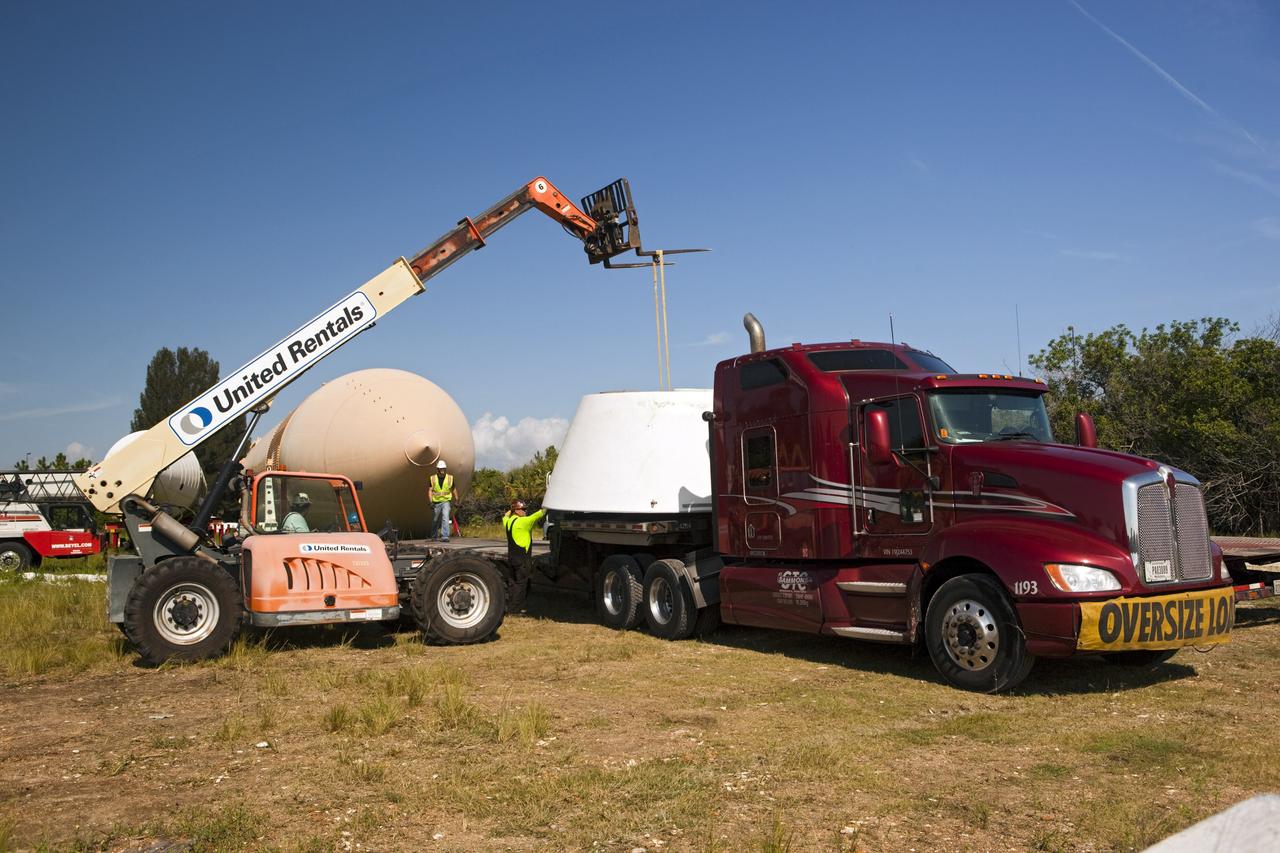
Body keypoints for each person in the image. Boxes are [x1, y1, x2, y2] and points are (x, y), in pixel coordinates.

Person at [502, 499, 545, 609]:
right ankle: (517, 608)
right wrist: (548, 506)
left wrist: (511, 510)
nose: (525, 511)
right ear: (516, 510)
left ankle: (510, 605)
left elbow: (505, 515)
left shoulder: (507, 522)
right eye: (523, 509)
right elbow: (539, 514)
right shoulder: (524, 522)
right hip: (522, 559)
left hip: (511, 557)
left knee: (512, 583)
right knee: (521, 583)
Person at [429, 459, 457, 542]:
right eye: (441, 469)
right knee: (435, 519)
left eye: (443, 468)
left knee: (445, 517)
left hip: (446, 501)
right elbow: (430, 490)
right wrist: (431, 502)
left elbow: (454, 489)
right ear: (437, 469)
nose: (442, 470)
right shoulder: (433, 478)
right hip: (436, 502)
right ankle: (434, 536)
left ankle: (445, 536)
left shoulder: (450, 478)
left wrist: (457, 500)